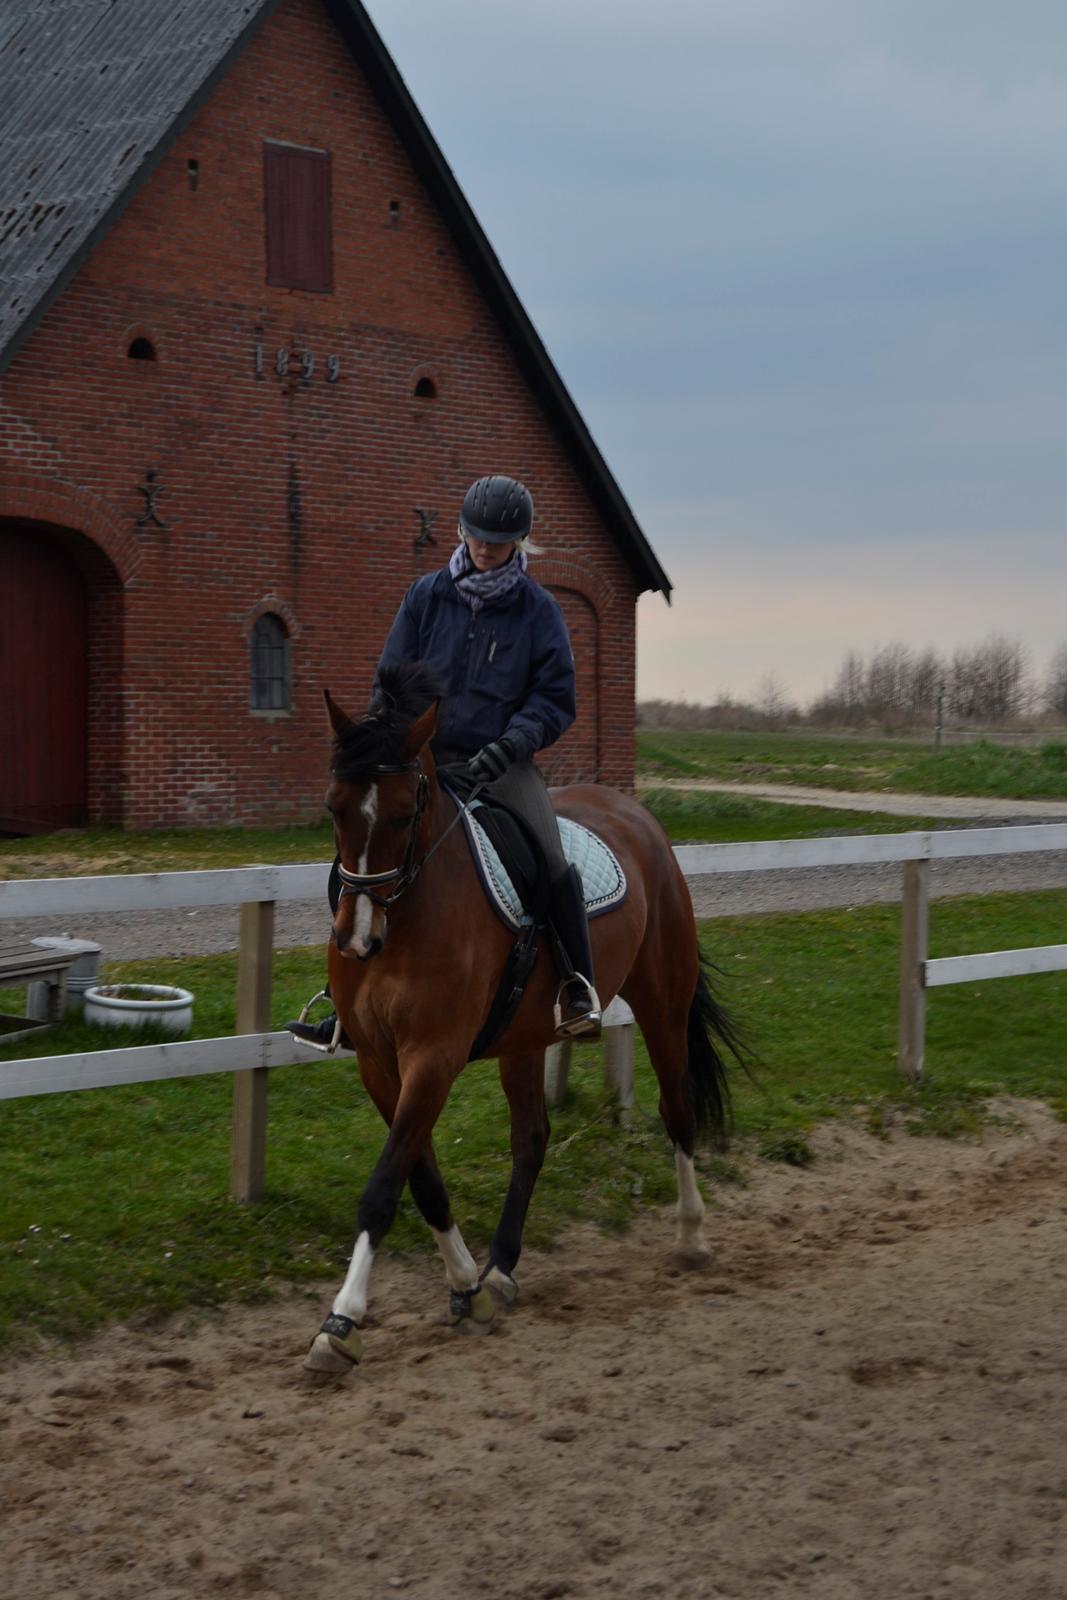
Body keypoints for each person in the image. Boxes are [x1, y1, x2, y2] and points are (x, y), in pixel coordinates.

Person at [288, 473, 602, 1049]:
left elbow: (556, 700)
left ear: (521, 542)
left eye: (499, 540)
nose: (485, 547)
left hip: (501, 762)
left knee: (549, 856)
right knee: (356, 860)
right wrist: (391, 745)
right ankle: (346, 999)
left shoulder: (539, 611)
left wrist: (509, 745)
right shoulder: (425, 596)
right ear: (461, 531)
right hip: (420, 761)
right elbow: (389, 683)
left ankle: (577, 985)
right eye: (477, 535)